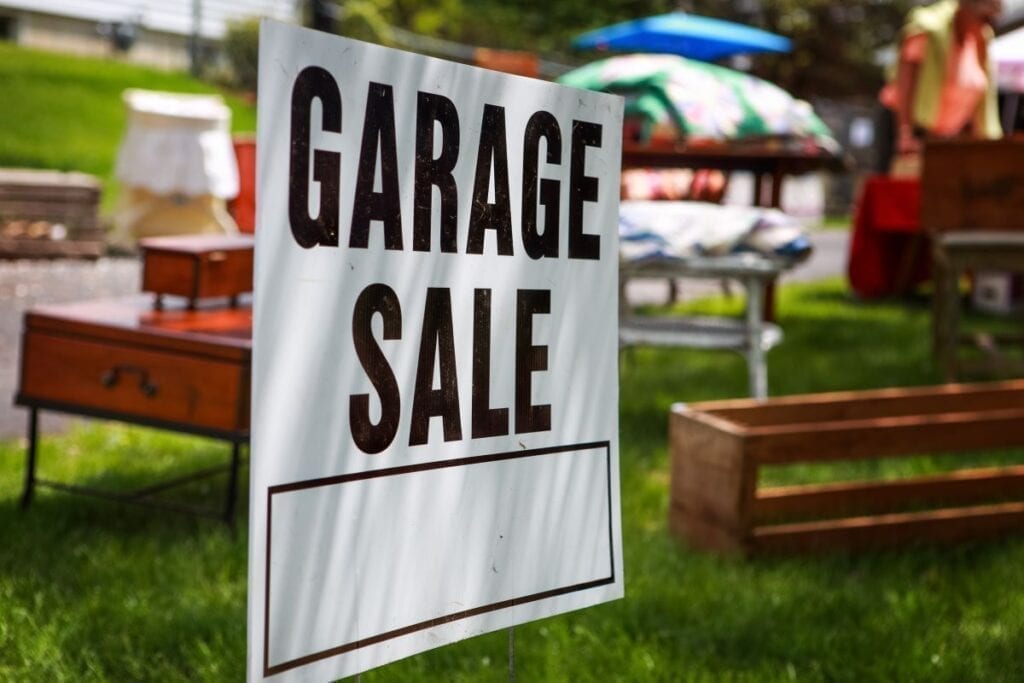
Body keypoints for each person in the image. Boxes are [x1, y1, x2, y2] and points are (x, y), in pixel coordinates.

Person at [880, 0, 1004, 162]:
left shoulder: (980, 42)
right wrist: (905, 133)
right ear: (965, 7)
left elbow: (980, 106)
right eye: (987, 18)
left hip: (944, 138)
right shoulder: (929, 28)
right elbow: (905, 84)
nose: (990, 26)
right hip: (906, 130)